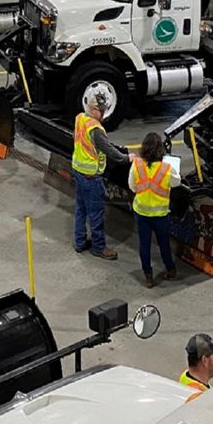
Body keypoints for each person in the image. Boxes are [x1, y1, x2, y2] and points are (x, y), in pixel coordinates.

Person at [71, 96, 126, 260]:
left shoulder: (80, 118)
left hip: (78, 170)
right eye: (101, 111)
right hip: (91, 176)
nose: (103, 115)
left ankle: (80, 242)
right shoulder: (95, 129)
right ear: (93, 110)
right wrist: (127, 158)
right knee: (96, 213)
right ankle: (99, 247)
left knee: (81, 209)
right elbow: (110, 152)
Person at [128, 132, 178, 288]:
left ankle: (148, 276)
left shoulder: (136, 165)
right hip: (160, 215)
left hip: (141, 213)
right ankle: (170, 270)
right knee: (164, 244)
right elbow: (177, 182)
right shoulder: (166, 169)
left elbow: (132, 186)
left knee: (144, 244)